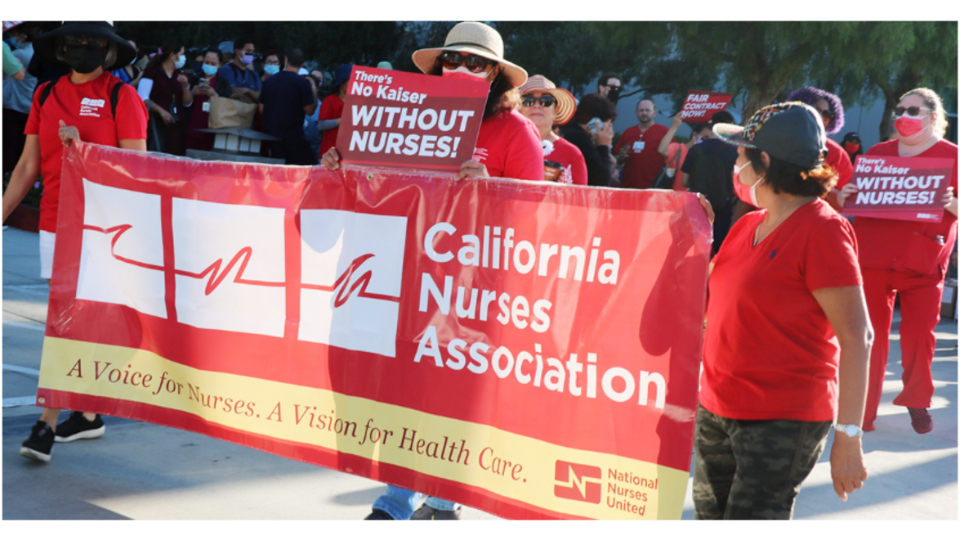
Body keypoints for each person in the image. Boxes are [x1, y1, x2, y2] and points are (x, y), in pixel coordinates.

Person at [321, 21, 542, 519]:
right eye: (453, 59)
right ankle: (397, 500)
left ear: (496, 78)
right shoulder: (401, 117)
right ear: (439, 66)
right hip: (405, 278)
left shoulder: (514, 130)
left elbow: (537, 212)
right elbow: (371, 189)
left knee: (451, 396)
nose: (462, 69)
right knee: (404, 390)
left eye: (477, 63)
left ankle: (443, 502)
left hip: (471, 289)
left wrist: (493, 187)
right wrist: (341, 163)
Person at [696, 102, 871, 519]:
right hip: (717, 407)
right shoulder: (745, 225)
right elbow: (710, 304)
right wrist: (689, 233)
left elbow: (857, 336)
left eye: (741, 153)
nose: (735, 161)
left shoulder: (822, 230)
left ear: (765, 161)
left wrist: (848, 436)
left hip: (780, 419)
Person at [1, 21, 148, 463]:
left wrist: (86, 152)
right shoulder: (45, 94)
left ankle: (47, 422)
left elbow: (137, 172)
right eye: (74, 41)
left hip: (105, 229)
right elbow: (27, 166)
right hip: (55, 223)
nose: (83, 48)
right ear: (61, 48)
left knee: (68, 321)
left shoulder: (122, 97)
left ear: (109, 51)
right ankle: (86, 413)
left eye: (94, 43)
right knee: (70, 320)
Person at [837, 88, 959, 434]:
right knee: (867, 338)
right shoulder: (878, 152)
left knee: (920, 334)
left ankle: (917, 400)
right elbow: (855, 204)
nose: (904, 115)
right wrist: (845, 195)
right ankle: (861, 411)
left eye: (913, 110)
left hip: (922, 261)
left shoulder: (953, 156)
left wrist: (952, 204)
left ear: (933, 116)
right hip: (873, 257)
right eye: (900, 109)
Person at [786, 86, 854, 212]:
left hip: (813, 222)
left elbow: (847, 204)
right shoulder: (776, 139)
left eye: (827, 114)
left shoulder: (836, 153)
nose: (821, 117)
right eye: (816, 109)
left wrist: (820, 181)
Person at [681, 110, 739, 254]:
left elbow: (684, 181)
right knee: (720, 247)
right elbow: (737, 183)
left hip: (698, 205)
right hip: (723, 206)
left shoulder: (695, 150)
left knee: (694, 246)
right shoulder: (734, 151)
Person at [518, 74, 586, 185]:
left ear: (556, 110)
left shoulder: (571, 154)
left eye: (545, 100)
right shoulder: (505, 147)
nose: (537, 105)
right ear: (519, 109)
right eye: (528, 100)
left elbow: (579, 200)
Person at [258, 48, 317, 165]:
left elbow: (261, 109)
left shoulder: (269, 81)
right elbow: (310, 111)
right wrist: (314, 92)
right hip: (293, 139)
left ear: (285, 60)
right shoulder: (303, 83)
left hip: (271, 138)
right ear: (303, 64)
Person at [138, 39, 192, 156]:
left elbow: (187, 103)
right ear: (172, 55)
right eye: (182, 54)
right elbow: (142, 97)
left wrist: (185, 87)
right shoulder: (152, 72)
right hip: (155, 125)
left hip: (175, 127)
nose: (184, 58)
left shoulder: (181, 74)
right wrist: (161, 111)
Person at [3, 22, 38, 175]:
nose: (12, 38)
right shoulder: (37, 53)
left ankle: (6, 177)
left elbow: (12, 73)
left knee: (8, 145)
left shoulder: (18, 54)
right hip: (28, 105)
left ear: (22, 37)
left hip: (12, 104)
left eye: (14, 35)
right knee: (21, 146)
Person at [560, 93, 616, 187]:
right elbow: (600, 181)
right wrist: (603, 146)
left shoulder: (566, 132)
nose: (609, 130)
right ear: (595, 122)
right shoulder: (579, 138)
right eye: (607, 125)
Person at [614, 98, 669, 189]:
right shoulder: (628, 132)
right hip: (628, 186)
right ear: (637, 112)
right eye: (641, 110)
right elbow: (618, 158)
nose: (644, 113)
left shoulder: (664, 132)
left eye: (647, 110)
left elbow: (673, 157)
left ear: (654, 113)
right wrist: (621, 157)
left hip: (654, 187)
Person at [183, 47, 221, 152]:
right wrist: (192, 93)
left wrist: (214, 95)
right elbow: (185, 103)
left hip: (212, 132)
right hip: (192, 129)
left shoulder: (223, 83)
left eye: (213, 63)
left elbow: (226, 107)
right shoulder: (193, 79)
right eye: (206, 62)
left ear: (219, 65)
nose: (209, 65)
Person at [316, 63, 351, 158]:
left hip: (349, 152)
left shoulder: (358, 101)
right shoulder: (330, 100)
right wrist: (340, 121)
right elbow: (321, 125)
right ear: (342, 82)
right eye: (350, 80)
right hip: (330, 153)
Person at [217, 37, 261, 103]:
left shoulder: (254, 74)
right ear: (237, 51)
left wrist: (247, 91)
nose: (251, 54)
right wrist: (252, 97)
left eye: (252, 51)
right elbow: (232, 93)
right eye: (248, 51)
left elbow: (260, 97)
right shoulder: (226, 70)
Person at [303, 73, 323, 158]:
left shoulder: (322, 108)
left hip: (313, 154)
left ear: (317, 88)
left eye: (309, 84)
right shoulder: (292, 104)